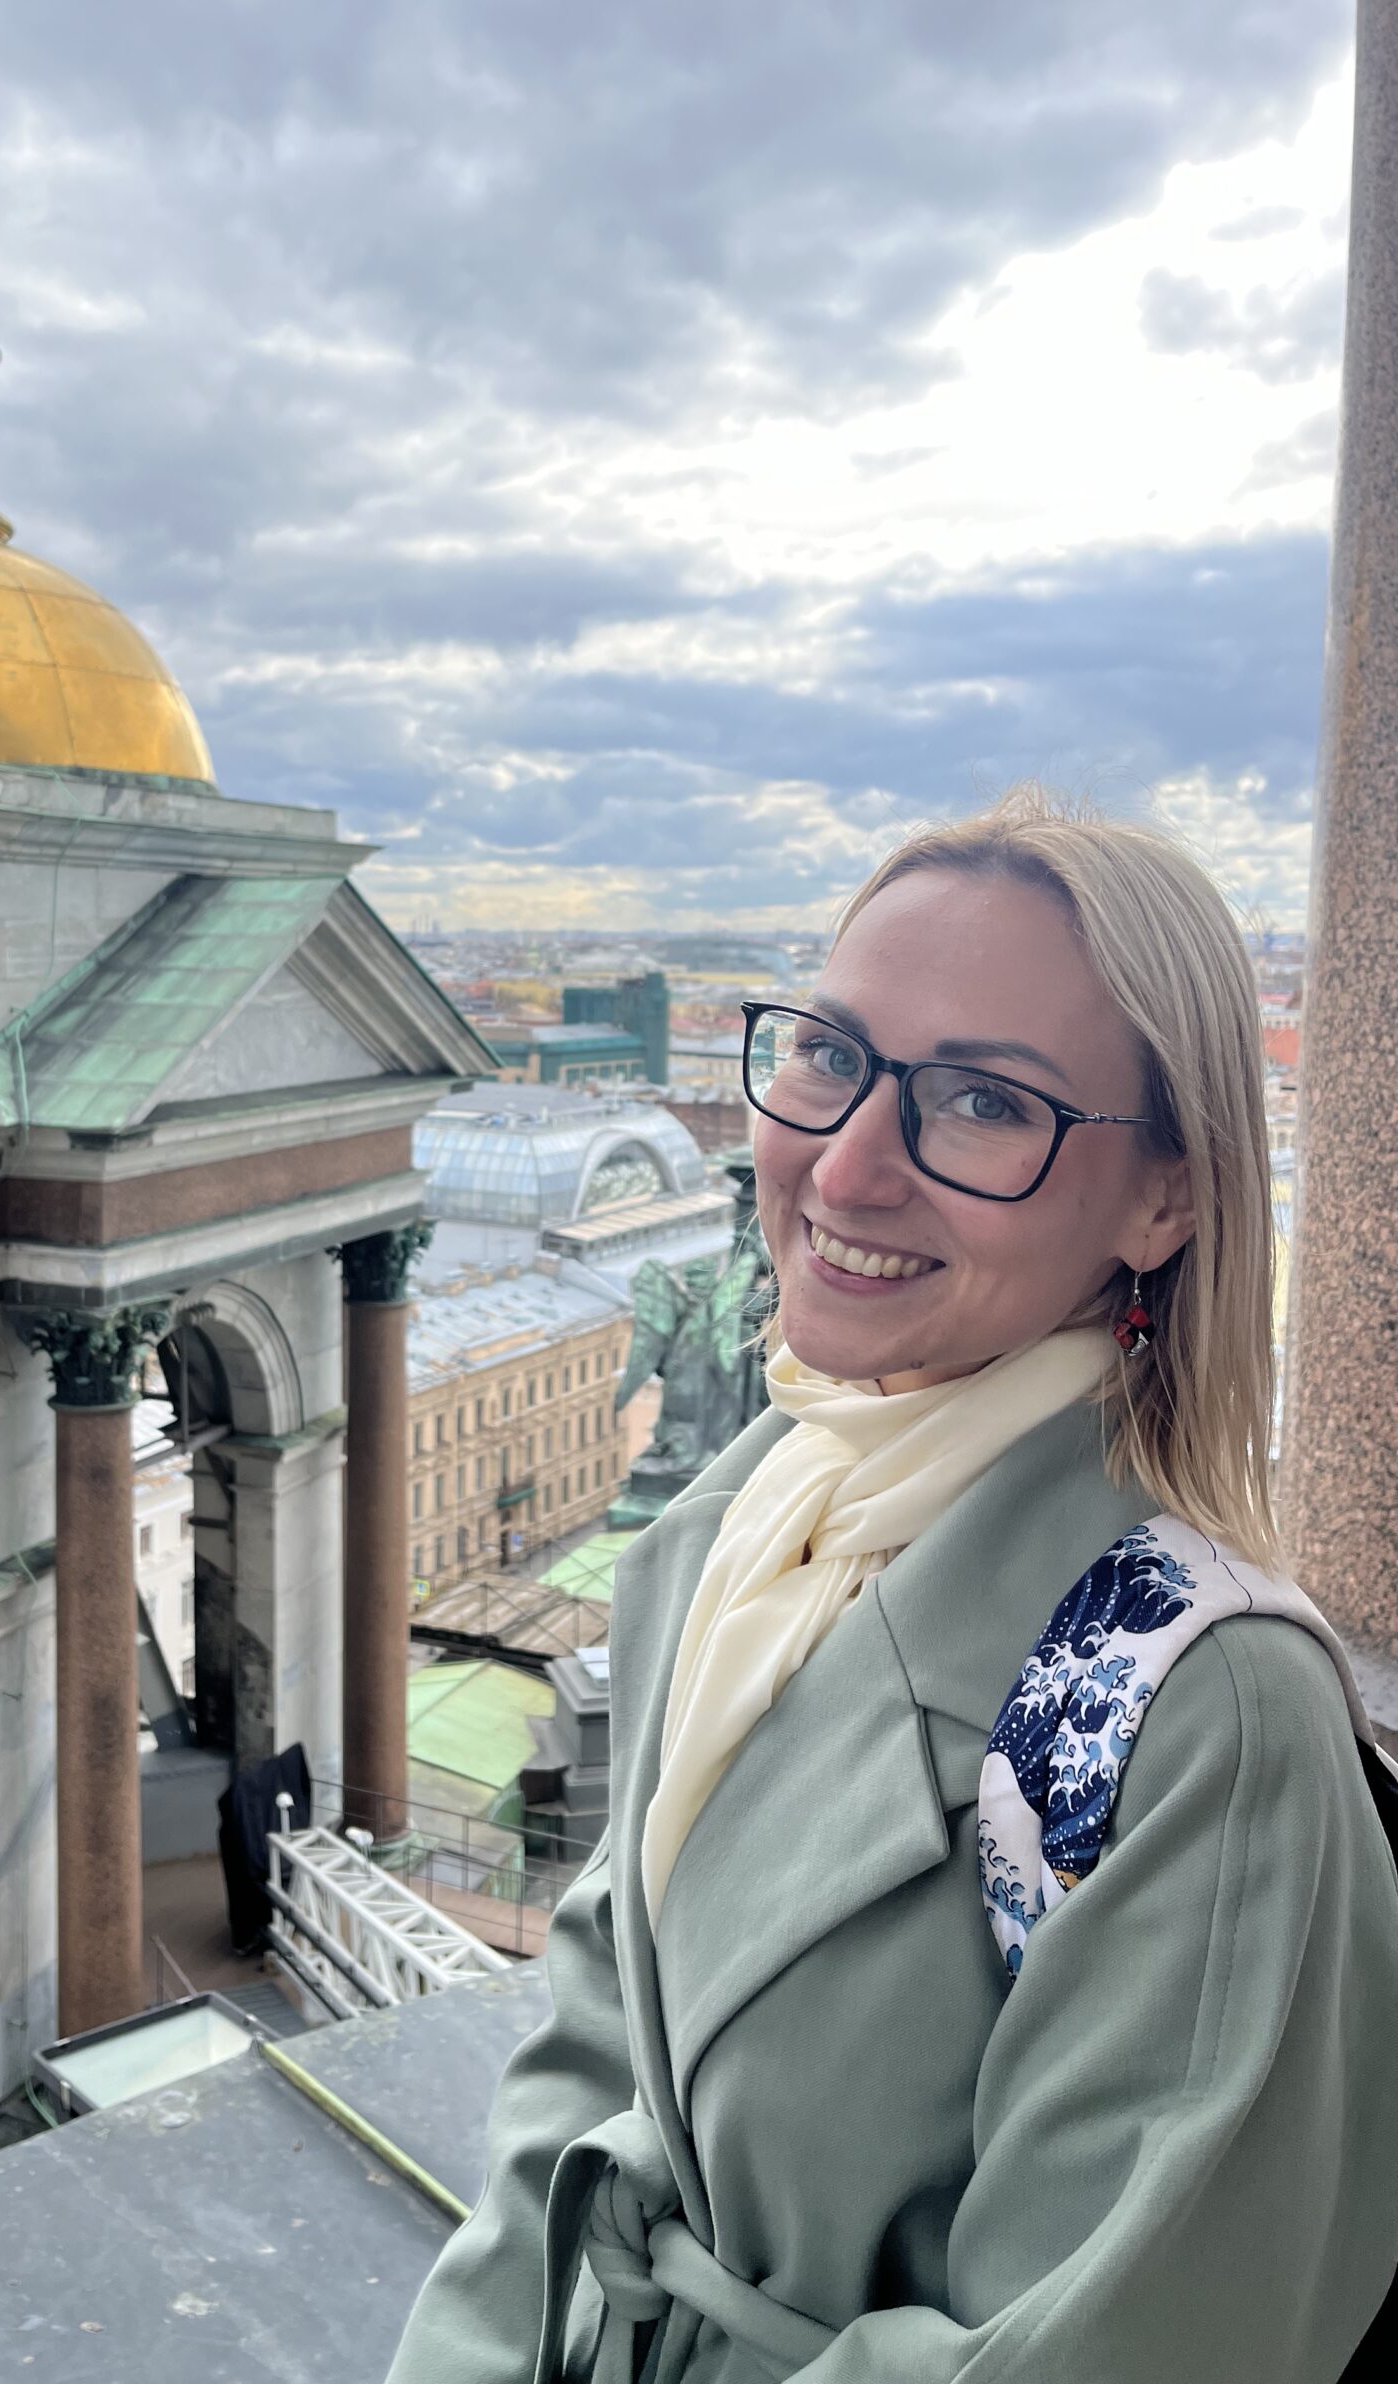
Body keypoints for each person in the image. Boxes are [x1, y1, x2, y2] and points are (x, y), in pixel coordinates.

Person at [385, 787, 1398, 2384]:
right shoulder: (748, 1519)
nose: (847, 1170)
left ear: (1170, 1197)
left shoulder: (1201, 1721)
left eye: (986, 1103)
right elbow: (593, 2054)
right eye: (831, 1056)